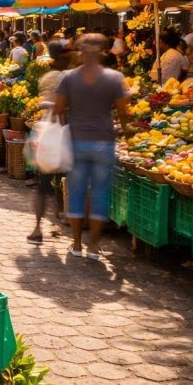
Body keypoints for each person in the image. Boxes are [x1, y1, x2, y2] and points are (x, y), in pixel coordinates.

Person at [53, 33, 134, 259]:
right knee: (100, 194)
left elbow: (58, 109)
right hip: (104, 142)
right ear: (104, 52)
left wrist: (68, 123)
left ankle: (77, 244)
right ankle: (94, 246)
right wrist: (128, 133)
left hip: (77, 141)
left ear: (80, 52)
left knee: (76, 193)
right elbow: (123, 112)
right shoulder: (114, 78)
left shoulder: (69, 77)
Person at [27, 41, 72, 244]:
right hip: (62, 132)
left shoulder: (47, 77)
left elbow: (44, 102)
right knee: (60, 181)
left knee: (45, 183)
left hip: (48, 132)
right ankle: (57, 219)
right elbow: (62, 107)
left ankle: (40, 227)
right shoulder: (66, 77)